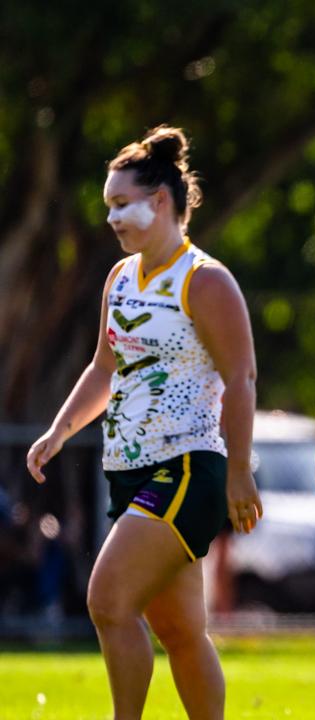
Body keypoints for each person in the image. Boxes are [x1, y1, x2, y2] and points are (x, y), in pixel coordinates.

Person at [25, 125, 261, 720]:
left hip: (186, 468)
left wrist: (238, 473)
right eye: (108, 206)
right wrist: (60, 431)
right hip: (129, 469)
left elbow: (242, 379)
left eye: (120, 204)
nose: (111, 219)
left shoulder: (205, 280)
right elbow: (106, 366)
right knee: (181, 631)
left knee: (107, 600)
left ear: (160, 202)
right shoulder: (120, 278)